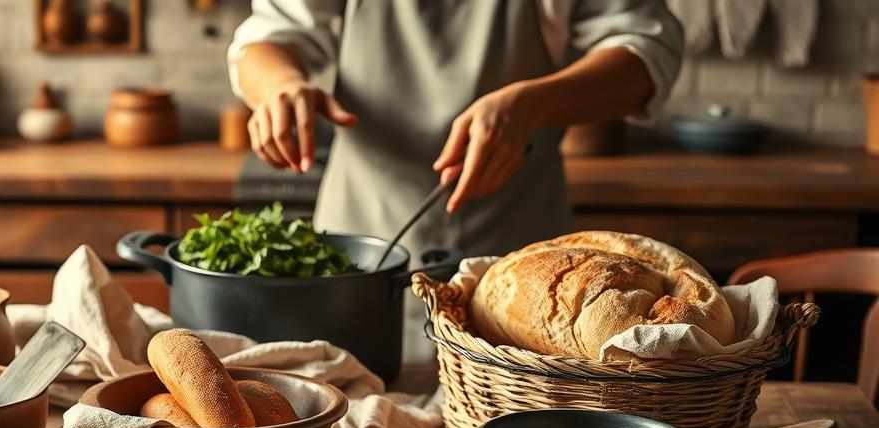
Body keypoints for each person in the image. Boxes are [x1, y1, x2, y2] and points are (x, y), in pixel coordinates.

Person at [229, 1, 684, 261]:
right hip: (360, 258)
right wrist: (280, 86)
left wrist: (531, 104)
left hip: (520, 264)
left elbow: (646, 53)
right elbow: (271, 36)